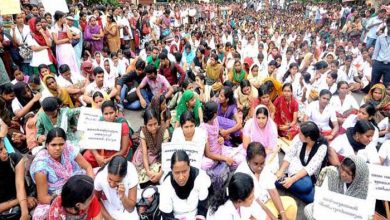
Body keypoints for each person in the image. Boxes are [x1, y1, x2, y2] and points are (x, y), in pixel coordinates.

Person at [30, 127, 93, 219]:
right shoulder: (41, 166)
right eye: (53, 145)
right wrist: (67, 201)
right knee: (40, 216)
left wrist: (90, 185)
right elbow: (43, 197)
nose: (58, 148)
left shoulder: (68, 148)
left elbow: (88, 167)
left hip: (77, 183)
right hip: (57, 195)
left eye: (61, 144)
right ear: (47, 145)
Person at [236, 142, 297, 220]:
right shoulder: (242, 175)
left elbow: (273, 192)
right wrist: (273, 218)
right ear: (248, 160)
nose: (259, 168)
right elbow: (256, 204)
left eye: (262, 163)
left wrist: (283, 214)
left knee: (291, 204)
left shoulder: (265, 168)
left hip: (267, 201)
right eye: (256, 164)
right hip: (252, 211)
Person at [275, 121, 328, 203]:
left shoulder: (322, 147)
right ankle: (287, 183)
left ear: (308, 138)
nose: (298, 134)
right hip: (294, 167)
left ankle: (284, 183)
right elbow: (289, 155)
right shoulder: (298, 138)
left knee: (306, 186)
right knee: (307, 191)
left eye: (301, 134)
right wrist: (281, 171)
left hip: (308, 175)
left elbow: (310, 168)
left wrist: (291, 180)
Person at [304, 155, 369, 220]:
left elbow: (361, 213)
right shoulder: (331, 174)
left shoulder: (362, 189)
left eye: (348, 173)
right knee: (308, 209)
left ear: (357, 177)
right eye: (342, 168)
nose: (343, 174)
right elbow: (322, 198)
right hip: (327, 211)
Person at [160, 150, 210, 219]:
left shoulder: (200, 178)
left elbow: (203, 206)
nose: (181, 177)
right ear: (171, 170)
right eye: (177, 173)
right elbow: (167, 216)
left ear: (189, 167)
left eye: (184, 171)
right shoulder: (166, 186)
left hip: (196, 215)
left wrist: (200, 217)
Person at [83, 101, 132, 167]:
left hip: (117, 152)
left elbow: (124, 149)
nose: (109, 116)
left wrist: (108, 160)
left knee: (116, 164)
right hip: (102, 150)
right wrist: (97, 156)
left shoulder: (122, 124)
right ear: (102, 114)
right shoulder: (100, 121)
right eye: (106, 114)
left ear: (116, 112)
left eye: (111, 113)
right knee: (86, 156)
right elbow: (92, 142)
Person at [200, 101, 246, 171]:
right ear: (215, 113)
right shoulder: (203, 128)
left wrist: (221, 138)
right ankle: (221, 164)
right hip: (211, 156)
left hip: (220, 149)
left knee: (241, 158)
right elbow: (208, 154)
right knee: (204, 165)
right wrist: (225, 158)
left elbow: (217, 134)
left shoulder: (215, 119)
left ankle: (221, 165)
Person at [0, 137, 37, 220]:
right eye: (0, 150)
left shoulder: (14, 157)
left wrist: (25, 215)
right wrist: (20, 200)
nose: (5, 151)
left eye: (4, 147)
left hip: (20, 196)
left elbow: (20, 186)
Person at [132, 108, 169, 188]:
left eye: (155, 124)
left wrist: (160, 173)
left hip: (159, 155)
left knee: (161, 174)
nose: (153, 128)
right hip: (145, 154)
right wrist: (148, 171)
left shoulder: (164, 131)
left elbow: (165, 154)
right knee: (139, 175)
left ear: (158, 122)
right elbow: (144, 154)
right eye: (150, 125)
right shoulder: (143, 132)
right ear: (145, 124)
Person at [243, 105, 279, 172]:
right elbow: (246, 145)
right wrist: (256, 151)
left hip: (267, 152)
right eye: (258, 118)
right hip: (251, 150)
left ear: (267, 118)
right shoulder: (249, 124)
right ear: (255, 117)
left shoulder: (272, 126)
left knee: (270, 168)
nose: (261, 121)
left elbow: (271, 148)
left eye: (263, 118)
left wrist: (263, 152)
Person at [52, 11, 80, 76]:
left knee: (72, 63)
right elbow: (56, 42)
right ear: (59, 19)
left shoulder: (65, 26)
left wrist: (66, 26)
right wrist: (67, 40)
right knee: (64, 63)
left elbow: (70, 37)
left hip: (69, 48)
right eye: (64, 17)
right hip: (61, 49)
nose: (65, 19)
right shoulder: (54, 28)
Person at [370, 17, 390, 87]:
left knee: (387, 85)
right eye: (389, 25)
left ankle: (384, 98)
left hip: (389, 65)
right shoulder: (380, 37)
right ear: (387, 25)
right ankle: (371, 97)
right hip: (378, 63)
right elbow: (376, 50)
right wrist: (373, 60)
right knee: (374, 83)